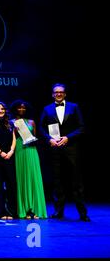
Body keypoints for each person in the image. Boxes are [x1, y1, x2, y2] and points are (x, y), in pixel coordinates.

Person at [39, 83, 89, 221]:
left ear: (65, 94)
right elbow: (41, 128)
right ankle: (58, 212)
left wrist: (68, 138)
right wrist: (49, 139)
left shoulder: (74, 107)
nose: (59, 94)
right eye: (56, 92)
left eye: (61, 92)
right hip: (55, 148)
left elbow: (81, 127)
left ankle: (83, 213)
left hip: (72, 148)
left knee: (76, 181)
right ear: (52, 94)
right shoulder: (47, 109)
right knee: (57, 181)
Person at [10, 100, 47, 220]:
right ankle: (24, 210)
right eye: (19, 108)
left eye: (24, 108)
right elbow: (12, 138)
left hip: (31, 151)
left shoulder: (32, 122)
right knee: (22, 178)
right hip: (19, 150)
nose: (21, 110)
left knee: (33, 178)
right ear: (15, 109)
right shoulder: (12, 122)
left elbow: (35, 137)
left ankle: (35, 209)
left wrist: (34, 139)